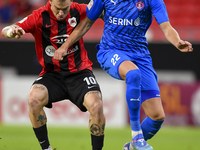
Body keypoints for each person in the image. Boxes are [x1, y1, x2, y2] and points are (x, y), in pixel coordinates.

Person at [53, 0, 193, 149]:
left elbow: (166, 27)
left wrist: (177, 42)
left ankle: (130, 147)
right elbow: (87, 23)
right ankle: (136, 135)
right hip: (110, 51)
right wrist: (64, 46)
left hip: (141, 56)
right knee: (133, 74)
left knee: (157, 117)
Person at [1, 0, 106, 150]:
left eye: (65, 9)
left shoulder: (80, 10)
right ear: (50, 3)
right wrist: (11, 32)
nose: (61, 13)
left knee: (97, 106)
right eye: (57, 9)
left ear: (71, 2)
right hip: (52, 74)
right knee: (33, 99)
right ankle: (46, 148)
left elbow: (104, 12)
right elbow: (8, 28)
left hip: (79, 73)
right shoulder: (39, 16)